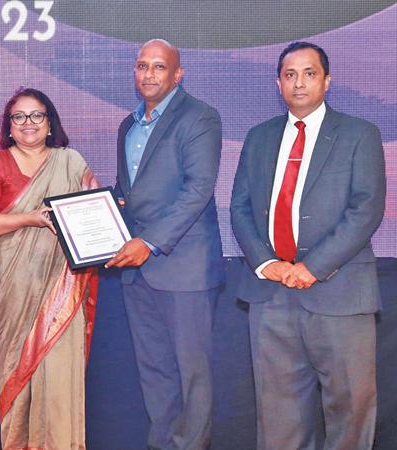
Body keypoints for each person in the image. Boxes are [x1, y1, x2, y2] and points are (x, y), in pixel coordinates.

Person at [230, 41, 385, 450]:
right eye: (289, 74)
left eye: (309, 73)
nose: (299, 83)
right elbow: (240, 207)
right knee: (279, 418)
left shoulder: (359, 134)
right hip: (271, 294)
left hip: (339, 292)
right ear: (278, 83)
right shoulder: (259, 137)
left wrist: (312, 267)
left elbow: (366, 209)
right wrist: (266, 263)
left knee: (350, 410)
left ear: (327, 81)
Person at [105, 39, 223, 450]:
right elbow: (128, 195)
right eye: (142, 66)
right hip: (139, 274)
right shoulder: (128, 125)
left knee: (193, 374)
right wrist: (98, 205)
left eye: (159, 67)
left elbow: (198, 190)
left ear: (177, 74)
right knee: (154, 371)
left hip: (184, 267)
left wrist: (149, 243)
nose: (149, 74)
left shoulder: (200, 118)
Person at [0, 87, 99, 450]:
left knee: (58, 373)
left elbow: (93, 205)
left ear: (49, 122)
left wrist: (105, 215)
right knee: (16, 373)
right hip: (12, 289)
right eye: (19, 117)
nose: (28, 124)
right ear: (8, 126)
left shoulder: (70, 161)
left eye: (36, 115)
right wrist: (31, 219)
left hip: (61, 284)